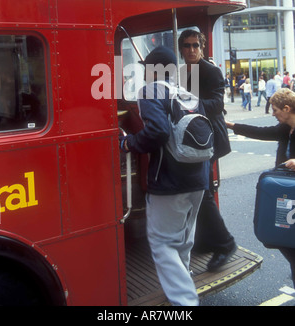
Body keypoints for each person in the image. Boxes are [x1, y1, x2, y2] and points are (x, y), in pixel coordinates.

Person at [119, 45, 209, 306]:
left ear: (152, 69)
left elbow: (157, 131)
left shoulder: (150, 91)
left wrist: (129, 144)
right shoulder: (188, 92)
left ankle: (184, 304)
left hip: (170, 180)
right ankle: (183, 286)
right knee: (183, 240)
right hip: (198, 177)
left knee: (162, 243)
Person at [178, 29, 236, 272]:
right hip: (191, 139)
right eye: (187, 46)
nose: (191, 50)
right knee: (198, 191)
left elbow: (218, 103)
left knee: (201, 191)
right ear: (181, 49)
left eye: (195, 45)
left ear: (202, 48)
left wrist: (191, 106)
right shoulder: (180, 72)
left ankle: (225, 244)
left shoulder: (211, 70)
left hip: (208, 139)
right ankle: (205, 240)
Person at [225, 88, 295, 287]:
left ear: (287, 108)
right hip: (287, 194)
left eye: (275, 110)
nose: (272, 114)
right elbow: (261, 132)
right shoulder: (285, 128)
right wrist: (231, 125)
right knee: (283, 237)